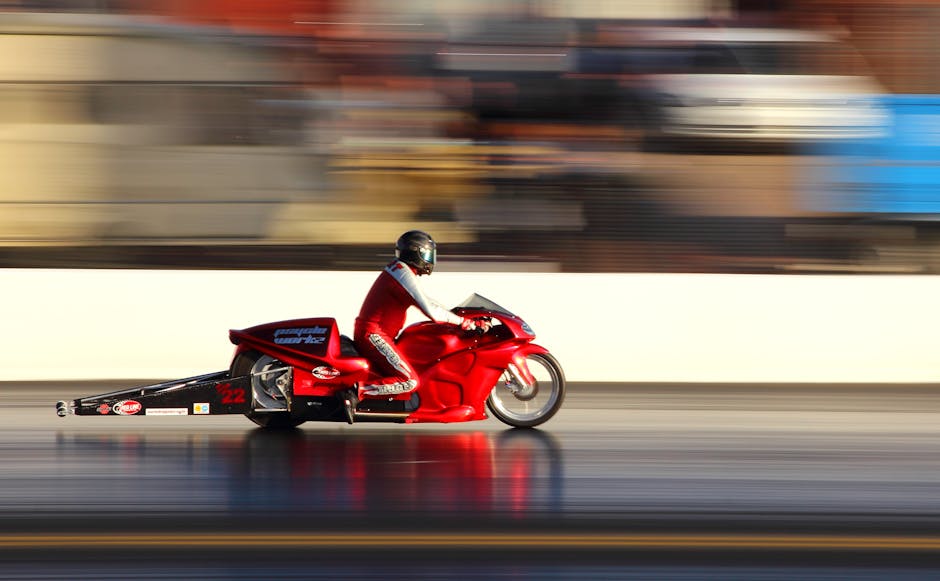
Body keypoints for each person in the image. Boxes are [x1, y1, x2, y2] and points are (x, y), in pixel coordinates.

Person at [342, 230, 489, 423]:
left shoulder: (400, 270)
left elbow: (427, 301)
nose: (430, 259)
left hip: (377, 333)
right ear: (416, 253)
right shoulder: (402, 273)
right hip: (374, 335)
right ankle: (355, 391)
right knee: (409, 381)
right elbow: (431, 310)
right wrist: (465, 322)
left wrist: (455, 314)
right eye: (427, 254)